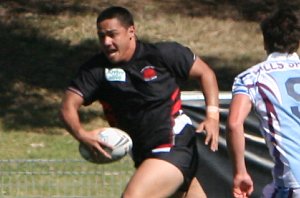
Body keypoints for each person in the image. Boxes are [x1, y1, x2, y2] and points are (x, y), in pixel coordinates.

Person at [60, 6, 219, 198]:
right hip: (144, 153)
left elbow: (205, 73)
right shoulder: (95, 70)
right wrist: (81, 135)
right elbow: (68, 106)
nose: (107, 42)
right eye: (101, 36)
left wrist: (212, 116)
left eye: (112, 34)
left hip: (173, 144)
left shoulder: (162, 55)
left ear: (131, 32)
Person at [226, 8, 300, 198]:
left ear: (265, 42)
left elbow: (234, 124)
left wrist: (240, 172)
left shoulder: (252, 78)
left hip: (294, 182)